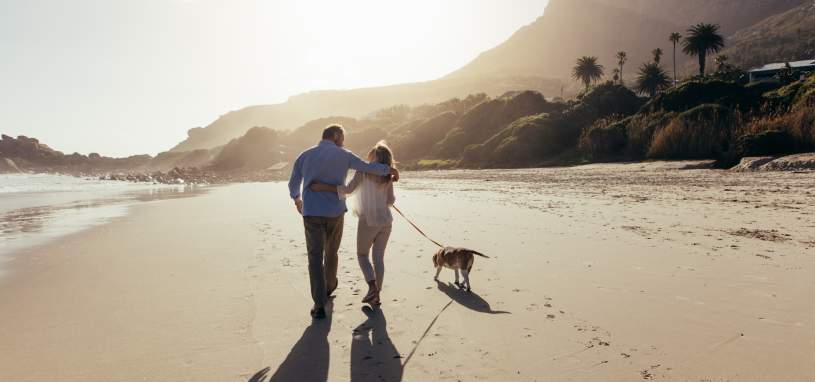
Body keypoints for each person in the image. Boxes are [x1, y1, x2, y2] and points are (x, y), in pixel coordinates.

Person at [288, 125, 399, 319]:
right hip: (337, 213)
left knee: (315, 257)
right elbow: (369, 168)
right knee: (332, 253)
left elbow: (293, 182)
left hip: (312, 211)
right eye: (343, 137)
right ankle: (332, 287)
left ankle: (319, 303)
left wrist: (297, 199)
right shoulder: (345, 155)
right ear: (336, 136)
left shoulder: (304, 155)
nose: (344, 141)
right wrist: (389, 169)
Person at [310, 141, 396, 306]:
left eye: (370, 155)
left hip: (368, 221)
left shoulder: (363, 172)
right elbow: (391, 200)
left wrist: (322, 186)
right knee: (379, 257)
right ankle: (377, 295)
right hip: (386, 222)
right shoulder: (388, 177)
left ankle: (372, 288)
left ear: (374, 157)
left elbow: (347, 190)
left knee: (362, 255)